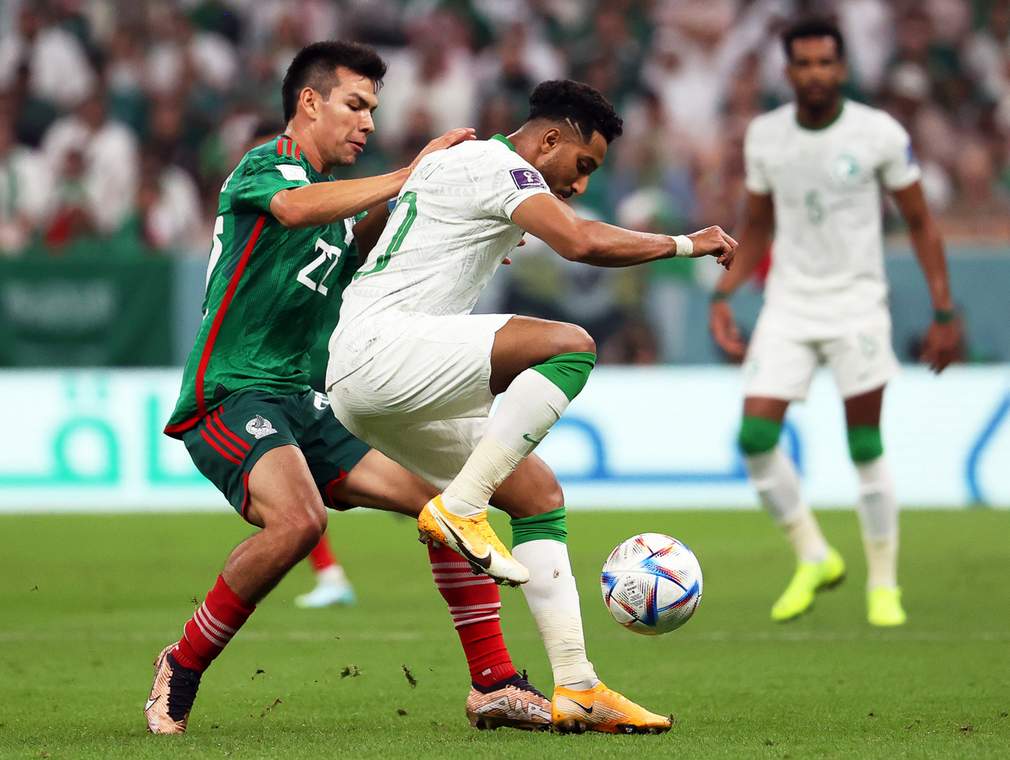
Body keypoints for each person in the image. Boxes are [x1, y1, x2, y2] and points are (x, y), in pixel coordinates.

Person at [147, 41, 556, 735]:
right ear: (309, 103)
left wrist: (460, 219)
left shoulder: (336, 207)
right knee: (301, 522)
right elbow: (295, 210)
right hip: (231, 392)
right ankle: (180, 665)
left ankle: (492, 684)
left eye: (373, 109)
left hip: (301, 399)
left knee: (443, 509)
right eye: (355, 105)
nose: (366, 122)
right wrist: (411, 171)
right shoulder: (265, 167)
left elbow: (366, 247)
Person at [327, 79, 736, 734]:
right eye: (581, 166)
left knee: (538, 495)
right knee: (569, 346)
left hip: (373, 369)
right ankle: (461, 507)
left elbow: (371, 236)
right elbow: (579, 241)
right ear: (549, 139)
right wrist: (686, 243)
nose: (577, 184)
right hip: (384, 351)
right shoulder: (499, 166)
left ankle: (578, 687)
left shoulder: (460, 163)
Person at [707, 18, 960, 627]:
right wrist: (723, 293)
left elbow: (922, 222)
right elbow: (759, 223)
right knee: (755, 438)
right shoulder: (765, 136)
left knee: (864, 442)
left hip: (857, 304)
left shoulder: (877, 134)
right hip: (790, 304)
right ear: (788, 71)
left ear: (841, 69)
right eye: (805, 64)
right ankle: (814, 555)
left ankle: (883, 584)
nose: (816, 73)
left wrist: (945, 310)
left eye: (826, 63)